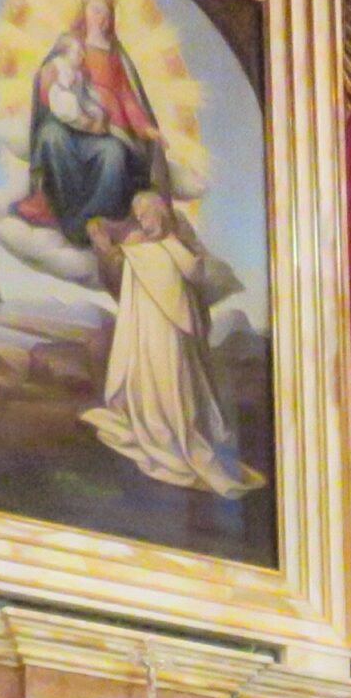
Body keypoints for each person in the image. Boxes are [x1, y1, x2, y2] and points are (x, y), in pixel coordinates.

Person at [80, 192, 264, 497]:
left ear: (160, 214)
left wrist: (174, 249)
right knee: (152, 380)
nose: (143, 222)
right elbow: (120, 261)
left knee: (175, 381)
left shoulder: (170, 244)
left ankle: (173, 433)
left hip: (172, 331)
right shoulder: (142, 245)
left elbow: (194, 271)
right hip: (147, 331)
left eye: (146, 215)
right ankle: (156, 429)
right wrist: (106, 243)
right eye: (139, 217)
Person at [15, 0, 165, 247]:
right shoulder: (70, 44)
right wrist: (50, 78)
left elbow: (127, 96)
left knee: (114, 155)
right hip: (70, 124)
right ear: (84, 12)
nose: (102, 19)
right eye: (96, 11)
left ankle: (87, 223)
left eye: (107, 14)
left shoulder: (114, 55)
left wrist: (145, 128)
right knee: (51, 137)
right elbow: (48, 78)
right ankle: (53, 205)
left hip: (105, 130)